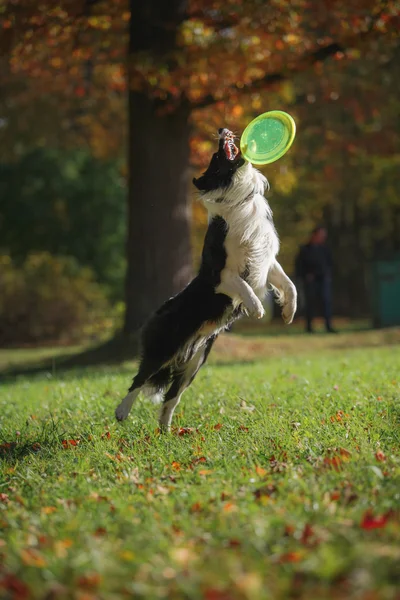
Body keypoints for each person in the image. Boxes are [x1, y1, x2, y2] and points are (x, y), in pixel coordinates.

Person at [295, 226, 336, 333]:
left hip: (323, 279)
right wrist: (305, 276)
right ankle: (309, 327)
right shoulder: (305, 250)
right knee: (310, 303)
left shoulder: (325, 250)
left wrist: (328, 275)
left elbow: (330, 264)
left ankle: (328, 326)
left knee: (326, 302)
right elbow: (299, 266)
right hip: (310, 281)